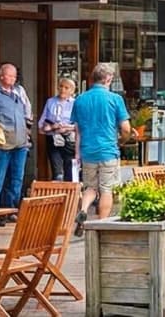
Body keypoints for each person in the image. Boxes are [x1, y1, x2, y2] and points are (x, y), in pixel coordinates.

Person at [70, 63, 132, 236]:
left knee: (90, 187)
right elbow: (126, 128)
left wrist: (77, 153)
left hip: (87, 150)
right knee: (106, 189)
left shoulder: (80, 99)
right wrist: (122, 140)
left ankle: (83, 210)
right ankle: (101, 226)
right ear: (108, 79)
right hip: (108, 150)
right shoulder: (115, 99)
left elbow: (77, 130)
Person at [0, 62, 33, 220]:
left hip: (20, 144)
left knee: (16, 179)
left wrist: (27, 134)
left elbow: (26, 115)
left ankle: (11, 210)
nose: (12, 78)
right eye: (9, 75)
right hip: (0, 145)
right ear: (1, 76)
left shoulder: (18, 93)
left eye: (14, 76)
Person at [39, 78, 78, 181]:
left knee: (69, 171)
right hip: (53, 138)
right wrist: (51, 127)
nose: (62, 89)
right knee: (57, 172)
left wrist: (66, 127)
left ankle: (69, 190)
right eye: (61, 86)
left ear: (72, 91)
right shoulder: (50, 102)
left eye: (66, 88)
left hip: (69, 140)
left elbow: (80, 125)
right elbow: (41, 125)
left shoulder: (75, 103)